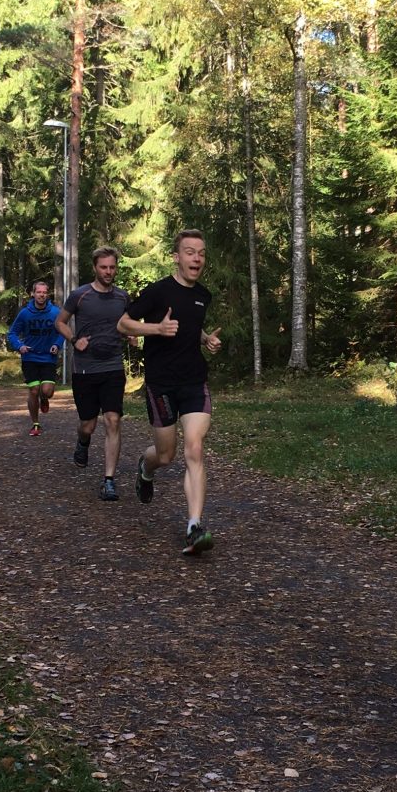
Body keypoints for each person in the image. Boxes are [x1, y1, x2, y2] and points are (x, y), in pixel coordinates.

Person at [117, 229, 222, 556]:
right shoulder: (157, 292)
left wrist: (206, 339)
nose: (196, 258)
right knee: (166, 455)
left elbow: (191, 324)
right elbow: (123, 324)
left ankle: (194, 526)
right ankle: (145, 469)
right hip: (161, 384)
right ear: (176, 256)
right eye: (189, 252)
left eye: (201, 253)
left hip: (194, 382)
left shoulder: (203, 295)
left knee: (194, 448)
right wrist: (155, 329)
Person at [55, 246, 130, 501]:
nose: (108, 272)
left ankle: (109, 480)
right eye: (104, 267)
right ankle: (82, 442)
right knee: (89, 425)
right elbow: (60, 322)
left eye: (112, 267)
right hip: (85, 369)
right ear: (95, 268)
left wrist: (130, 334)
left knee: (113, 420)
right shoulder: (80, 295)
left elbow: (128, 323)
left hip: (113, 366)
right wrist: (74, 340)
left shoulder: (122, 297)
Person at [7, 281, 64, 436]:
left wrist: (57, 345)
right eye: (38, 292)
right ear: (33, 294)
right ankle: (36, 424)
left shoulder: (55, 312)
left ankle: (44, 399)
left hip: (48, 357)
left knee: (46, 391)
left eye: (44, 292)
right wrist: (20, 346)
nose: (41, 295)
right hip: (30, 357)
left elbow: (62, 331)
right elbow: (11, 333)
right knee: (33, 390)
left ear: (48, 294)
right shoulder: (25, 313)